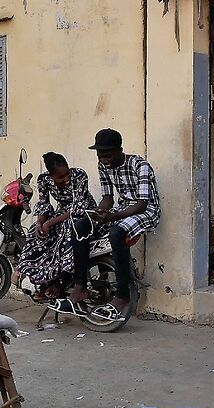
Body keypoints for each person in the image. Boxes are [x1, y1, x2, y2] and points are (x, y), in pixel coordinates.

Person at [71, 128, 161, 321]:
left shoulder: (140, 165)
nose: (104, 159)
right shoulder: (103, 164)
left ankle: (122, 294)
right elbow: (107, 198)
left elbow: (142, 203)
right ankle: (79, 284)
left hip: (146, 211)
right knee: (80, 226)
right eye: (100, 155)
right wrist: (99, 213)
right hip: (121, 209)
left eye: (107, 155)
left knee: (116, 233)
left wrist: (113, 217)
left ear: (120, 150)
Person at [17, 152, 99, 301]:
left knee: (66, 231)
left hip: (85, 213)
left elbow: (77, 207)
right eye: (61, 177)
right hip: (61, 214)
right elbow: (44, 205)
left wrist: (50, 223)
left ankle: (59, 282)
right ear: (50, 174)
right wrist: (40, 223)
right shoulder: (43, 179)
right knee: (36, 234)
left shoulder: (79, 175)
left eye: (67, 174)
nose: (66, 179)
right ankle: (45, 281)